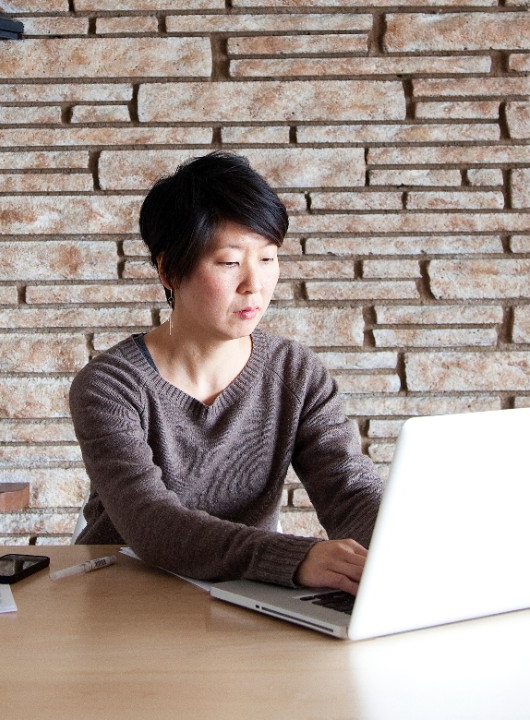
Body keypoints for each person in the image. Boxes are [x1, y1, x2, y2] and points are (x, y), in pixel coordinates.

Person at [68, 152, 384, 595]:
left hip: (244, 594)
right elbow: (150, 520)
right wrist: (295, 557)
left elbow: (348, 487)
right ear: (169, 270)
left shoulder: (296, 373)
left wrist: (396, 547)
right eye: (229, 262)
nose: (254, 284)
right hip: (127, 592)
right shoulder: (109, 386)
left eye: (269, 258)